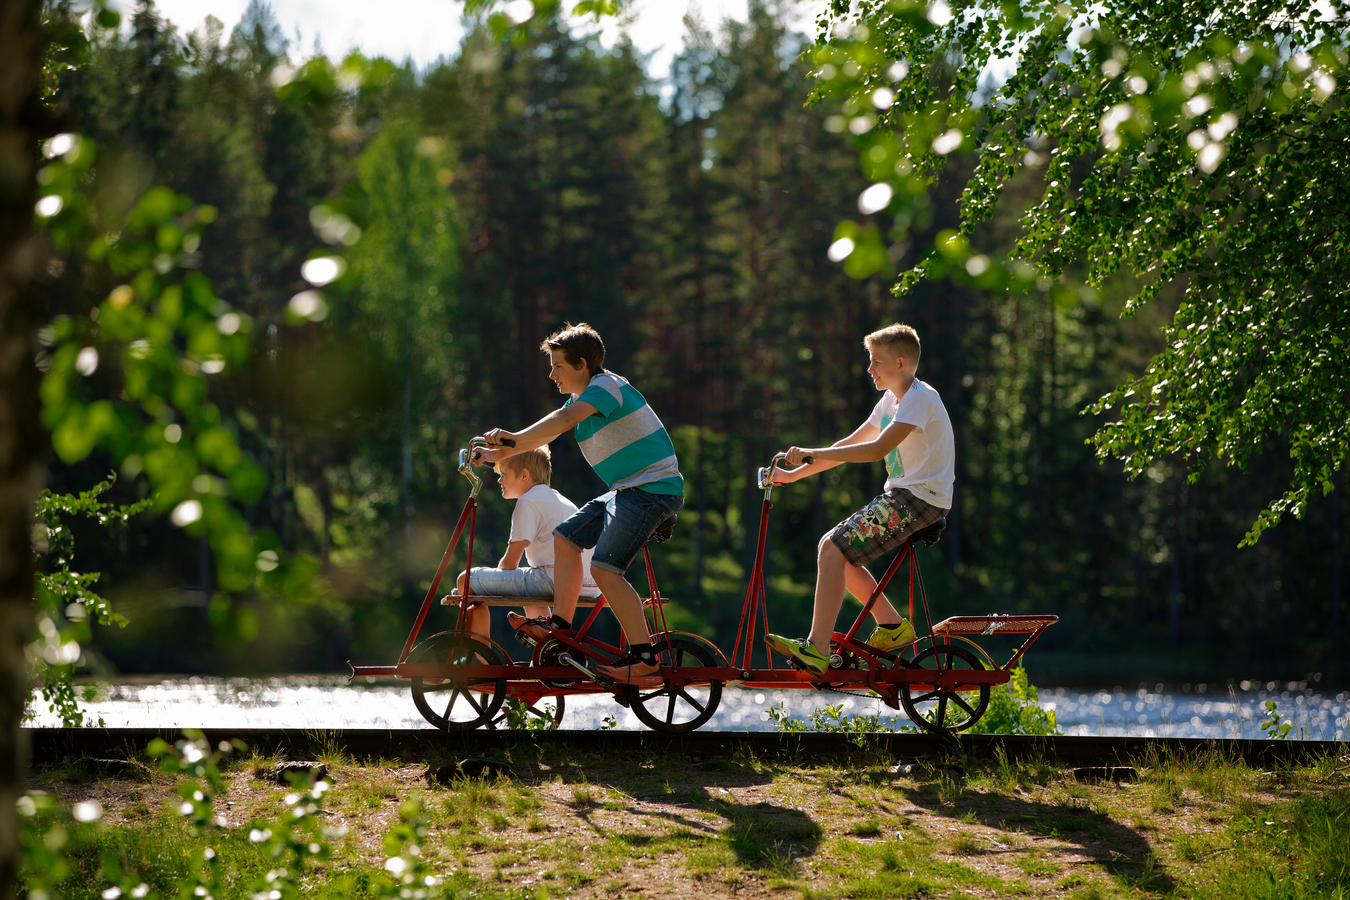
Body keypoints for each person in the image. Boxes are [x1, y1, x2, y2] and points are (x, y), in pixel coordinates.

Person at [474, 322, 684, 683]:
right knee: (566, 536)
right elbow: (552, 430)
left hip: (653, 490)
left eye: (558, 366)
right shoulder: (581, 399)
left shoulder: (606, 387)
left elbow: (563, 420)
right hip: (629, 491)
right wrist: (496, 455)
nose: (551, 373)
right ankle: (559, 629)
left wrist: (512, 438)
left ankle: (646, 659)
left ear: (582, 365)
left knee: (605, 570)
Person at [766, 323, 953, 675]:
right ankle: (893, 627)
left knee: (832, 550)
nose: (870, 369)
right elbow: (845, 447)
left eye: (876, 362)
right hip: (907, 496)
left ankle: (817, 650)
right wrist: (793, 474)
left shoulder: (919, 399)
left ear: (900, 363)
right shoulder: (891, 400)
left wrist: (808, 450)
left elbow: (877, 449)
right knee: (835, 552)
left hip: (919, 499)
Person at [446, 446, 600, 640]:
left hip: (557, 580)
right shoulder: (560, 500)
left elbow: (510, 564)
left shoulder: (528, 501)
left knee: (465, 580)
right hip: (589, 583)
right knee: (528, 587)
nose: (499, 480)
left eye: (504, 474)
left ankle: (484, 661)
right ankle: (549, 645)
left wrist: (484, 584)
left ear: (524, 475)